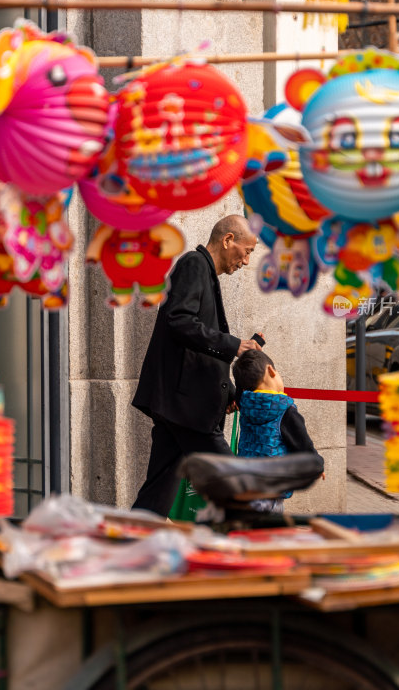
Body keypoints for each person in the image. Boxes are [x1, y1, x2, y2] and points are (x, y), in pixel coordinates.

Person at [132, 214, 263, 516]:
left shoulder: (205, 272)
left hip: (179, 406)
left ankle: (128, 541)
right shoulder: (194, 264)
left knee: (157, 491)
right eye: (248, 251)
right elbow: (179, 321)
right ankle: (254, 543)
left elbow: (196, 346)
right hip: (188, 408)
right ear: (228, 240)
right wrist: (234, 343)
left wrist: (228, 390)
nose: (245, 261)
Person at [232, 349, 324, 513]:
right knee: (267, 533)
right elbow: (303, 444)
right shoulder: (285, 411)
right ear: (271, 370)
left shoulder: (245, 404)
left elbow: (240, 389)